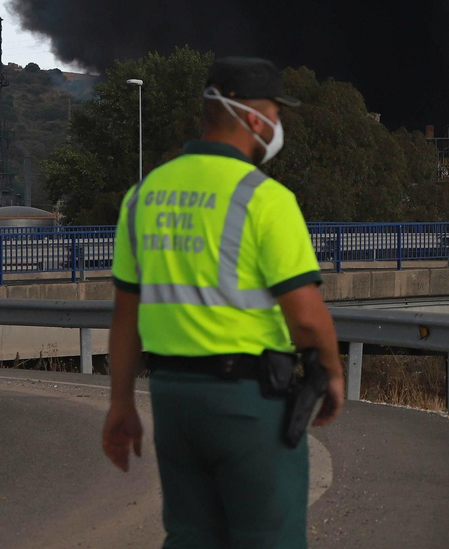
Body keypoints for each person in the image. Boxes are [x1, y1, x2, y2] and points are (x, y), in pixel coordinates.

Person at [101, 56, 345, 549]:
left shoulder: (143, 196)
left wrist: (121, 402)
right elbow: (305, 315)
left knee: (190, 537)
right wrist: (333, 373)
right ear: (254, 120)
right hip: (248, 405)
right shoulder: (264, 198)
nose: (277, 127)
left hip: (173, 399)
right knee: (267, 539)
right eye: (276, 115)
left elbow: (125, 319)